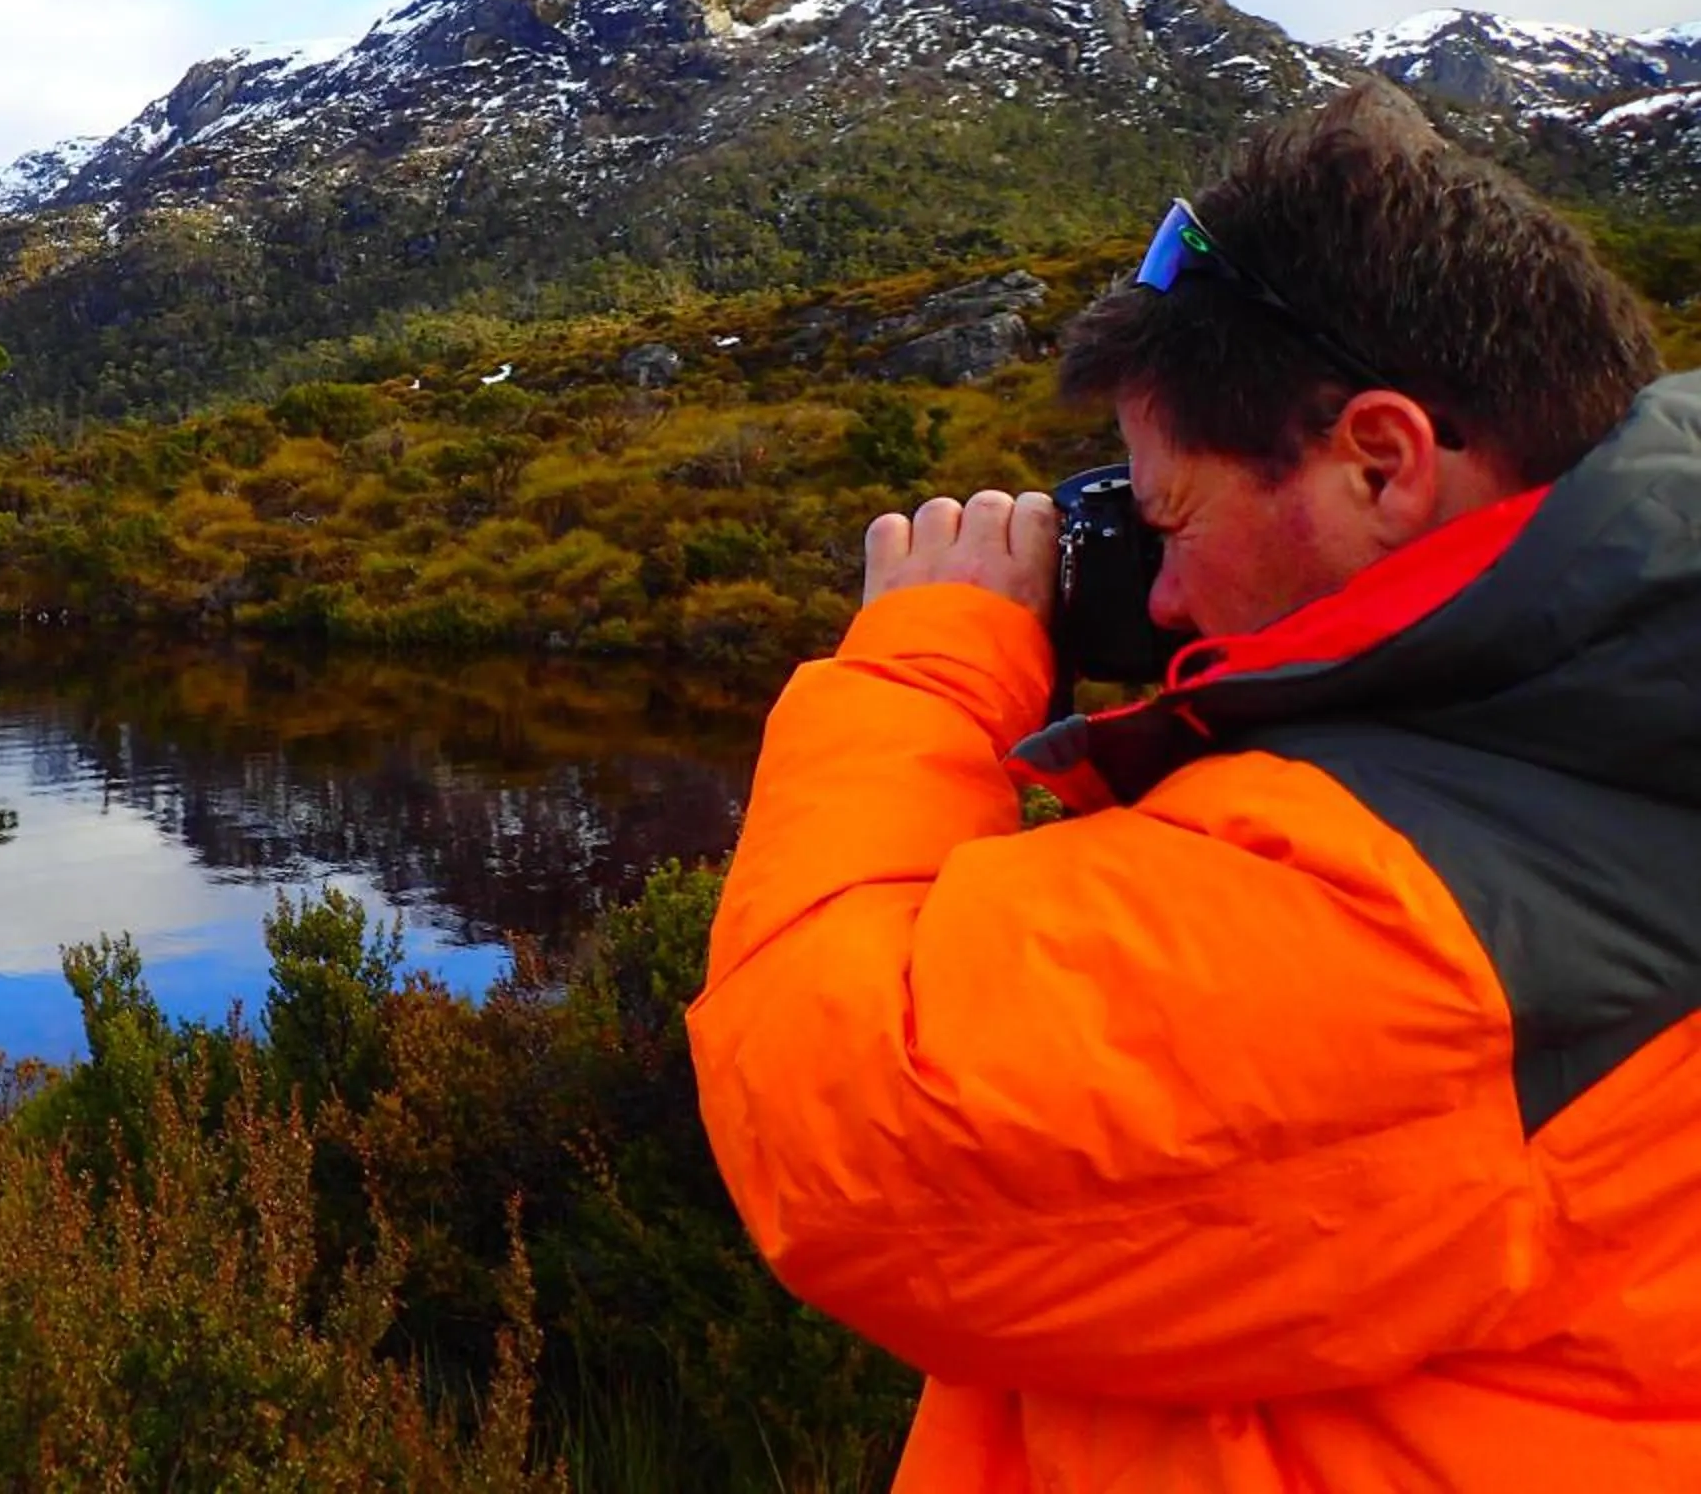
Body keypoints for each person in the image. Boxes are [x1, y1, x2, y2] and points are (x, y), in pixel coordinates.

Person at [685, 82, 1701, 1488]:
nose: (1159, 591)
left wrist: (926, 662)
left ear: (1383, 462)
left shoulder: (1409, 908)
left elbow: (848, 1137)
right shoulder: (1614, 698)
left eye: (1172, 516)